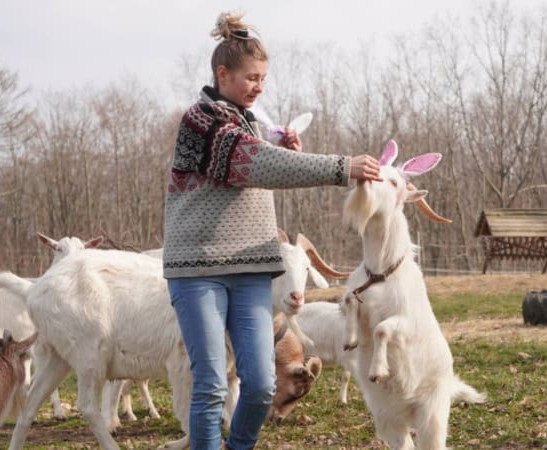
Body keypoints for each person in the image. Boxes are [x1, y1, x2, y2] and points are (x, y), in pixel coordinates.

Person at [161, 11, 383, 450]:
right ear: (222, 74)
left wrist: (275, 146)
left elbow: (257, 159)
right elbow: (254, 163)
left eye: (263, 78)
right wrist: (343, 167)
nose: (259, 86)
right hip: (198, 269)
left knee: (260, 383)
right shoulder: (201, 122)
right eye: (251, 77)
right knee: (210, 383)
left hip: (251, 269)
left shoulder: (247, 123)